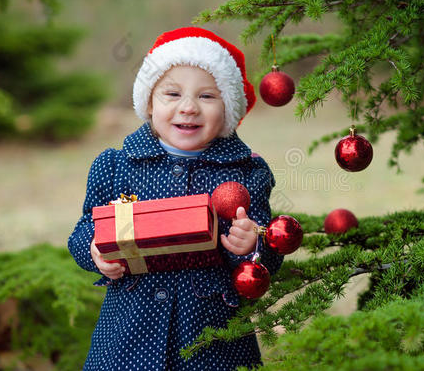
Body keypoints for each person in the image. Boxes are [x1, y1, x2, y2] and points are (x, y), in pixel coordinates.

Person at [68, 27, 283, 370]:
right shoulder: (114, 166)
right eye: (172, 93)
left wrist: (251, 246)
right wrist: (95, 251)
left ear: (227, 108)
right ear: (149, 103)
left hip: (211, 339)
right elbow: (82, 231)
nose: (188, 108)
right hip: (128, 336)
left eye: (207, 97)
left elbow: (268, 254)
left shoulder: (244, 173)